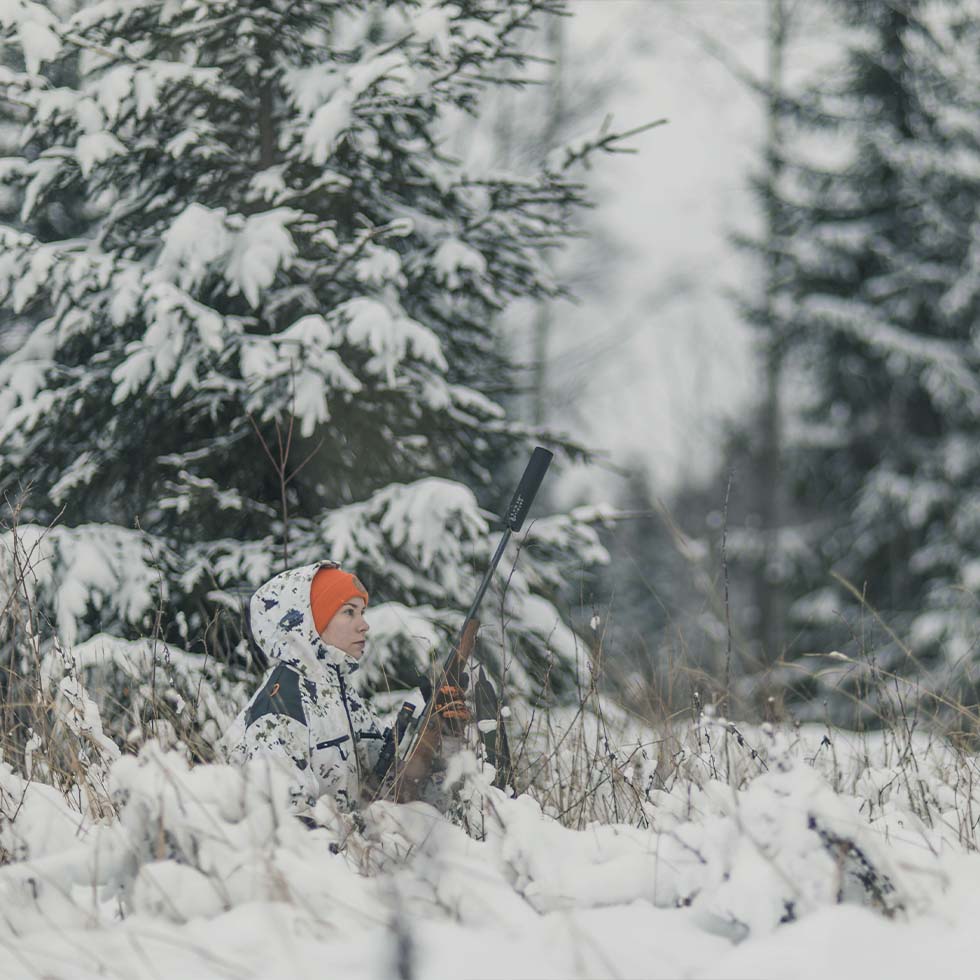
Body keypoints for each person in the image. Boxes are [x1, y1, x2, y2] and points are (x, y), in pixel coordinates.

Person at [225, 561, 467, 815]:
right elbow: (291, 827)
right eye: (349, 612)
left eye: (362, 612)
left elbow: (395, 788)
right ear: (310, 622)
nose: (364, 624)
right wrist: (364, 836)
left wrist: (441, 737)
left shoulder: (339, 695)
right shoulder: (282, 707)